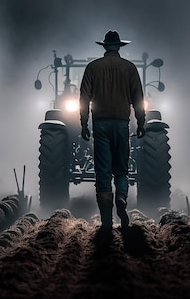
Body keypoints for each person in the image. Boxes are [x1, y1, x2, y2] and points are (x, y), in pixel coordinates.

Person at [79, 30, 146, 231]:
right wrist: (141, 123)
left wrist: (84, 124)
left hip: (100, 125)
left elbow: (83, 99)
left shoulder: (92, 68)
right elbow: (138, 99)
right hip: (121, 124)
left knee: (103, 171)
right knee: (121, 169)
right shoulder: (130, 68)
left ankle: (107, 221)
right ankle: (122, 200)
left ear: (104, 47)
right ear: (119, 47)